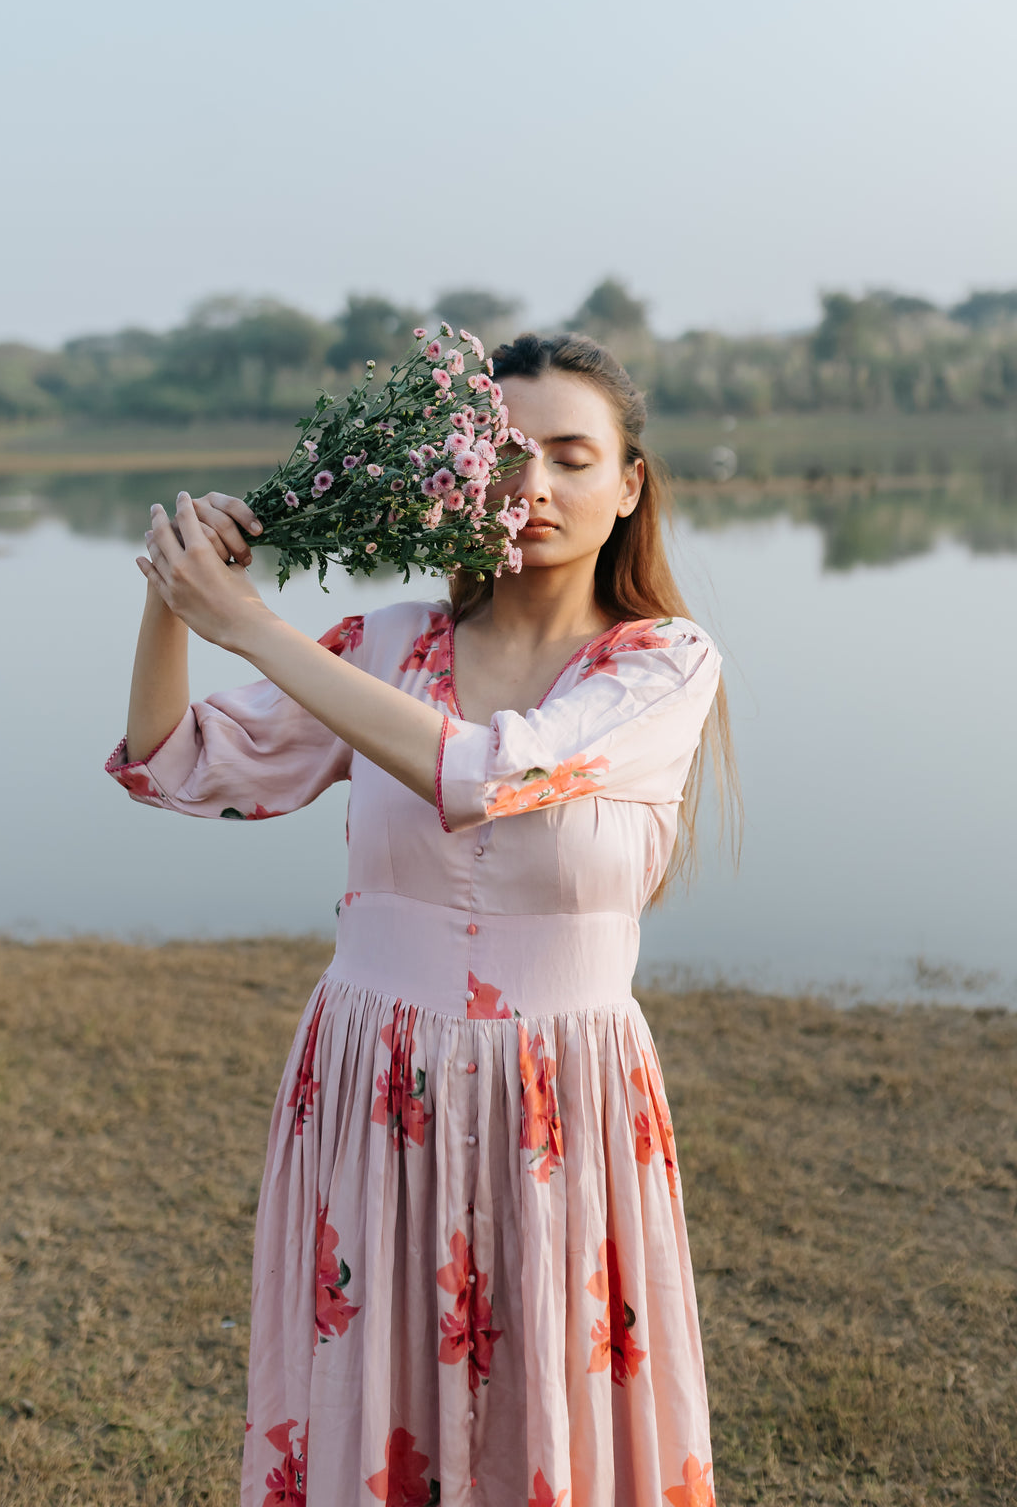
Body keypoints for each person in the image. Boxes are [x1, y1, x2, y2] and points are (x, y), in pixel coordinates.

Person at [106, 333, 737, 1507]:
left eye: (571, 457)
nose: (533, 486)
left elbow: (488, 774)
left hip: (564, 1093)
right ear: (456, 478)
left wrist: (251, 625)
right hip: (371, 1076)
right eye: (503, 455)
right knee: (372, 1405)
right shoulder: (389, 647)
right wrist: (176, 596)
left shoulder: (662, 665)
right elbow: (177, 765)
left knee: (553, 1411)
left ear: (628, 485)